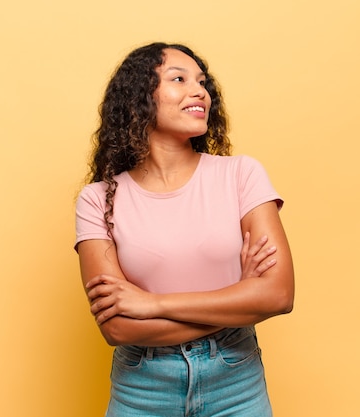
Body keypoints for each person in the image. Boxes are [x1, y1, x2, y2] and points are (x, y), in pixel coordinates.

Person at [75, 42, 294, 417]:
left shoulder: (240, 175)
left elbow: (277, 295)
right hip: (142, 388)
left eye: (203, 83)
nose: (200, 92)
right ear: (140, 97)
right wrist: (239, 298)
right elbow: (119, 329)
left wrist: (152, 304)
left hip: (235, 381)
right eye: (179, 79)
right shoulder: (98, 199)